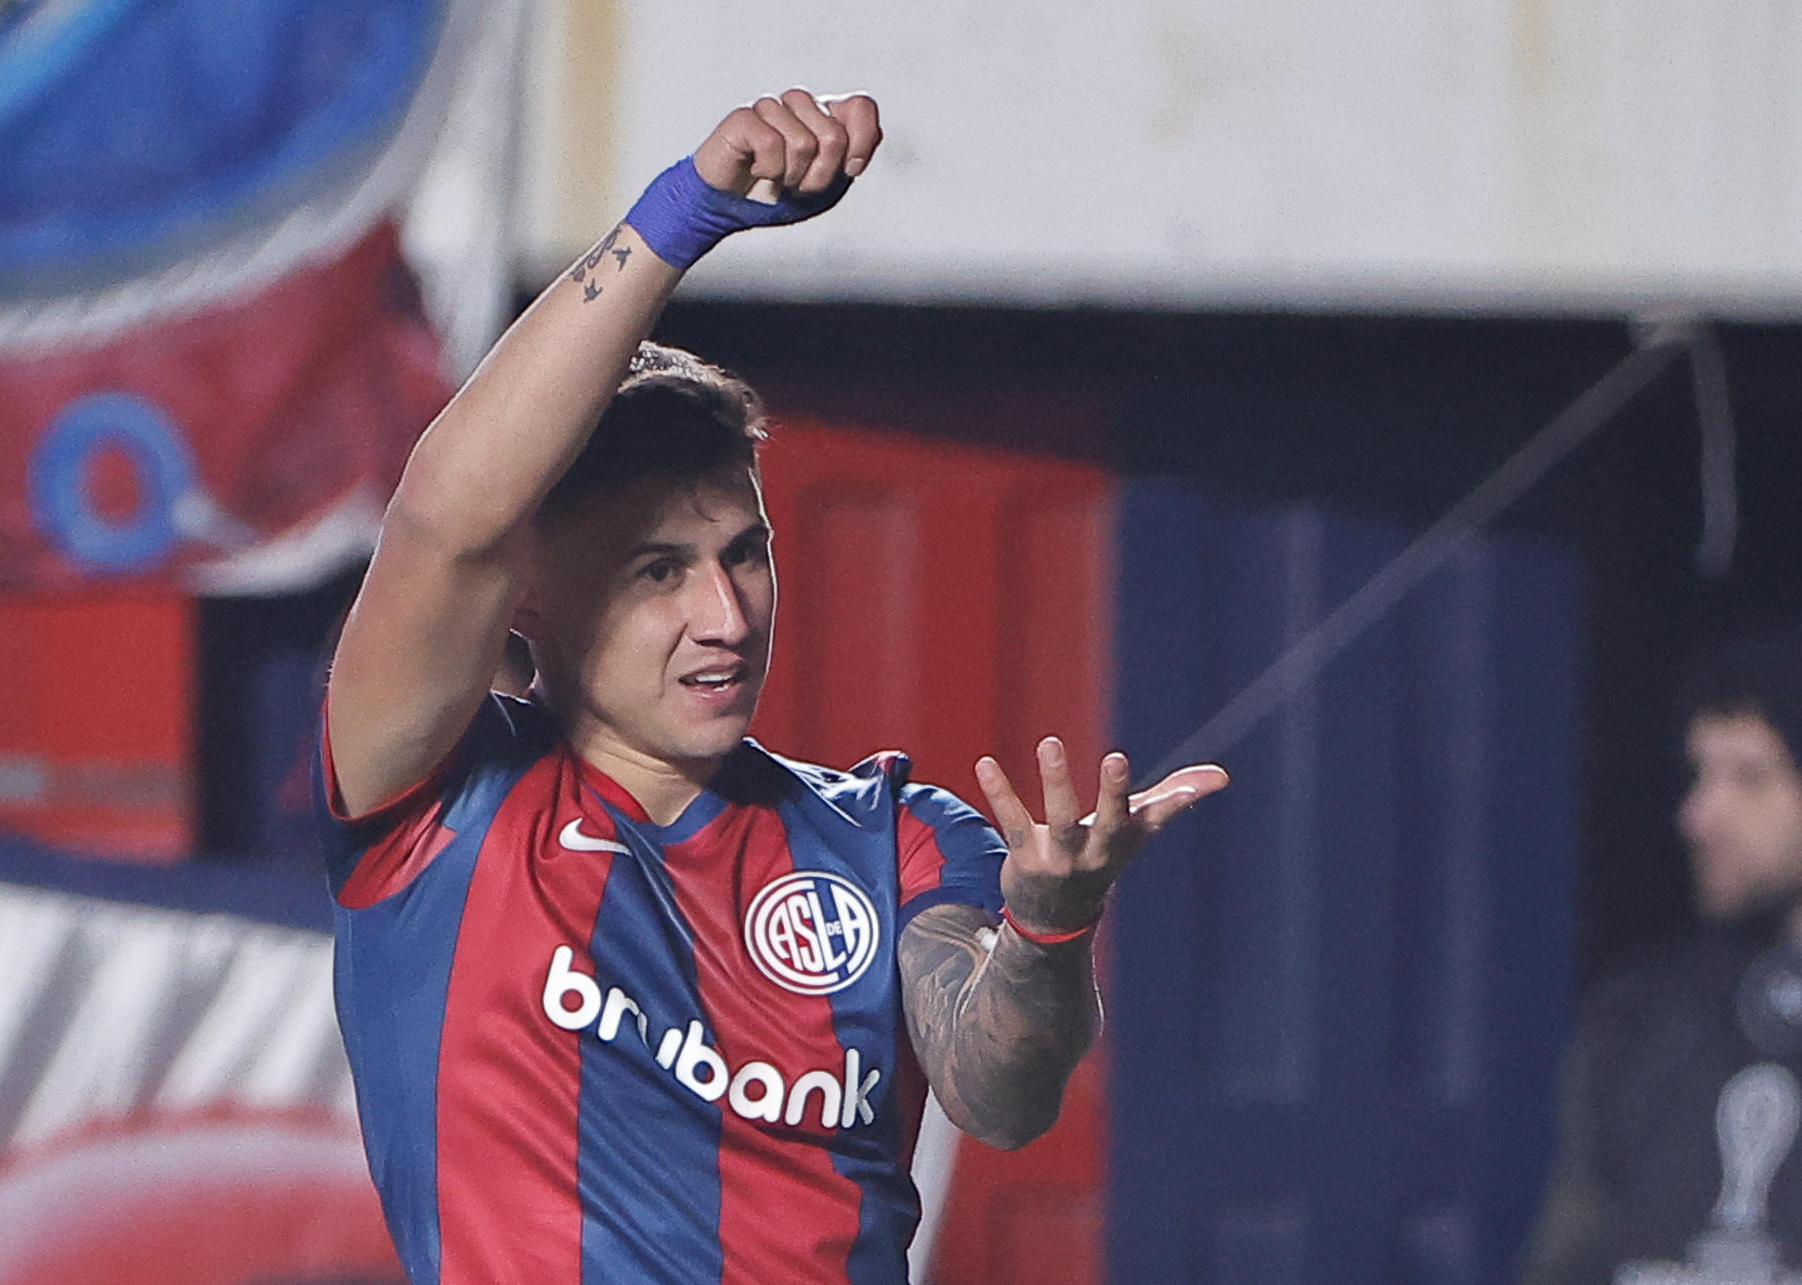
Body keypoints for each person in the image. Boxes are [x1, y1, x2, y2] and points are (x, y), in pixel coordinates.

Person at [316, 89, 1228, 1283]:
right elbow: (445, 520)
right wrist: (679, 216)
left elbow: (997, 1095)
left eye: (745, 553)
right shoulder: (431, 805)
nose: (729, 615)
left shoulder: (894, 834)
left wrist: (1050, 929)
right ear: (527, 593)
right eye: (661, 572)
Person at [1519, 625, 1802, 1284]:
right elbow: (1566, 1257)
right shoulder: (1640, 1015)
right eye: (1702, 773)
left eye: (1750, 778)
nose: (1701, 814)